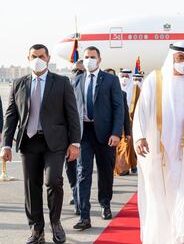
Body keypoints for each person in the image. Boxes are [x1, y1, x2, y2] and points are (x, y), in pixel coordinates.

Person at [133, 42, 184, 244]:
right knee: (158, 197)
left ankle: (180, 237)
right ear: (172, 58)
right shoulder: (155, 80)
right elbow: (140, 112)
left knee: (182, 195)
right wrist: (140, 136)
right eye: (180, 58)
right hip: (157, 153)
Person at [1, 44, 81, 244]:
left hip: (54, 142)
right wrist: (6, 145)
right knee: (31, 186)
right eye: (34, 56)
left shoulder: (61, 82)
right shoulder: (19, 83)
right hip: (28, 142)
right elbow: (11, 116)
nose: (38, 59)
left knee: (53, 180)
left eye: (41, 56)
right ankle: (37, 229)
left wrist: (75, 143)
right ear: (28, 58)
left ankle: (55, 223)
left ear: (48, 58)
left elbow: (72, 114)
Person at [73, 46, 124, 230]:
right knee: (83, 173)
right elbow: (71, 111)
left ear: (99, 59)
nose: (89, 60)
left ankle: (105, 204)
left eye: (92, 57)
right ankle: (84, 215)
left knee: (105, 172)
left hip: (105, 134)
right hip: (83, 134)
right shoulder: (76, 81)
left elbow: (119, 108)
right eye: (86, 57)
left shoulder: (110, 80)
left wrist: (117, 133)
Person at [67, 60, 86, 215]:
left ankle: (78, 201)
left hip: (81, 135)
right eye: (75, 72)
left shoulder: (87, 84)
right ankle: (76, 195)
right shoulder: (65, 84)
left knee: (80, 170)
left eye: (80, 72)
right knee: (71, 168)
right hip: (66, 135)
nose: (77, 75)